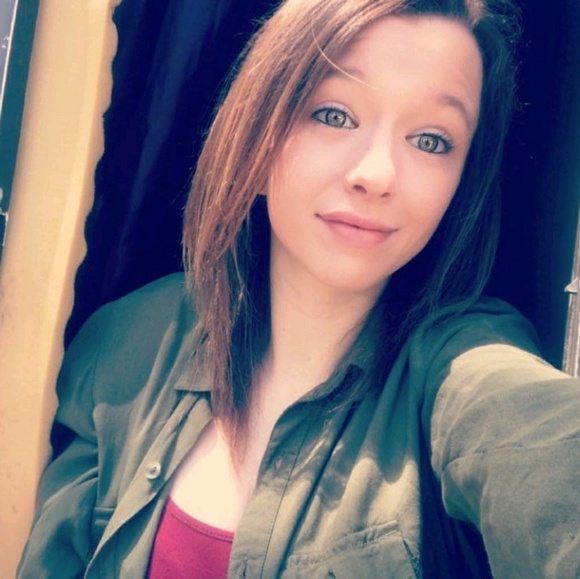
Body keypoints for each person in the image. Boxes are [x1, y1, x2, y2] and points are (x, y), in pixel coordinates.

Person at [18, 0, 580, 577]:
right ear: (258, 134)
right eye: (334, 115)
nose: (377, 175)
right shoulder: (126, 343)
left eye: (432, 140)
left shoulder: (461, 368)